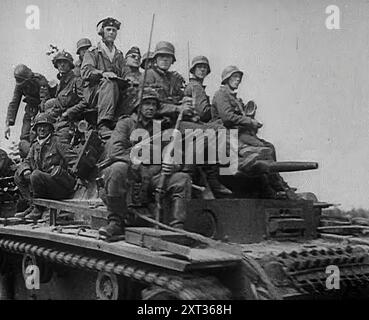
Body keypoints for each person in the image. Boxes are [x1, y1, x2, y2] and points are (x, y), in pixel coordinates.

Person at [99, 88, 192, 239]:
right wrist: (139, 160)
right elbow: (116, 152)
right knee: (117, 169)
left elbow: (174, 154)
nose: (150, 108)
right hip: (131, 177)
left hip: (153, 176)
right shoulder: (126, 124)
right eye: (146, 103)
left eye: (154, 104)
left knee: (182, 179)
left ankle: (177, 227)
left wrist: (172, 165)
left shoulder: (160, 127)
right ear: (138, 106)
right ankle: (115, 222)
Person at [212, 65, 297, 198]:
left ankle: (276, 183)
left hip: (240, 132)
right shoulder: (221, 94)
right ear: (226, 79)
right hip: (228, 133)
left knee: (269, 147)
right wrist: (249, 122)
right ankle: (277, 185)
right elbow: (227, 117)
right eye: (234, 77)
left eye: (239, 77)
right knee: (263, 150)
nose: (237, 80)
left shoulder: (234, 98)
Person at [14, 113, 77, 220]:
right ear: (36, 128)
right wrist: (25, 170)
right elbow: (26, 161)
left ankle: (38, 208)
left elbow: (74, 160)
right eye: (39, 126)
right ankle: (33, 204)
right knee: (18, 175)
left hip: (59, 186)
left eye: (45, 126)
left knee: (36, 174)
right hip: (43, 186)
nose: (42, 129)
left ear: (50, 128)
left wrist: (71, 176)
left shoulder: (57, 141)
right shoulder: (35, 145)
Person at [81, 17, 126, 134]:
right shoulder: (93, 52)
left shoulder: (119, 54)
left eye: (114, 30)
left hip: (114, 92)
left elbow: (126, 72)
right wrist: (102, 73)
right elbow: (85, 71)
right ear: (102, 32)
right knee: (109, 82)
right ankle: (103, 123)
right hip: (94, 92)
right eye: (108, 29)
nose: (111, 32)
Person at [5, 65, 51, 158]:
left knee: (41, 133)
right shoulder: (20, 84)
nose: (23, 85)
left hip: (42, 109)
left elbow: (44, 99)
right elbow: (14, 102)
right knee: (24, 137)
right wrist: (8, 123)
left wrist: (40, 116)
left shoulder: (40, 80)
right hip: (30, 109)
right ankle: (27, 159)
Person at [45, 50, 87, 144]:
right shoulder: (61, 83)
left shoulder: (76, 81)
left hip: (71, 121)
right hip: (59, 118)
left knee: (59, 142)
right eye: (59, 63)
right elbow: (58, 103)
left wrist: (69, 112)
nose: (62, 65)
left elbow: (85, 102)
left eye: (65, 62)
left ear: (70, 65)